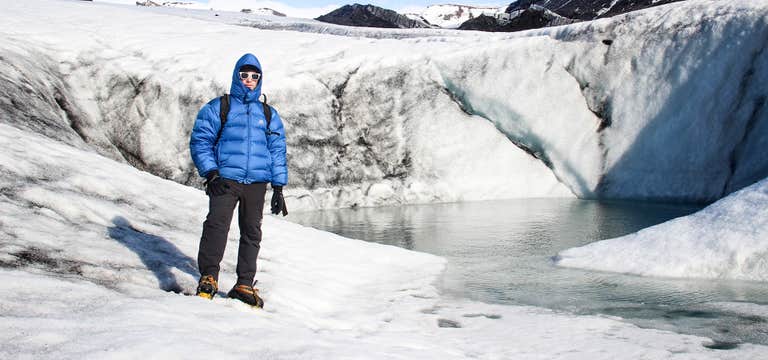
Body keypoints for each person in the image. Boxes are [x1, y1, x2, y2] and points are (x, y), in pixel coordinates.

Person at [189, 53, 287, 308]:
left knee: (252, 232)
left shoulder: (267, 113)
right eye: (244, 75)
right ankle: (208, 277)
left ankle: (244, 283)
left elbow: (276, 150)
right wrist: (211, 172)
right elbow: (201, 140)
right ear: (236, 76)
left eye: (255, 76)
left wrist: (278, 187)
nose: (249, 80)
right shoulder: (219, 107)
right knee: (216, 226)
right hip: (226, 179)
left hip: (256, 182)